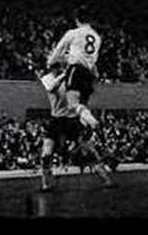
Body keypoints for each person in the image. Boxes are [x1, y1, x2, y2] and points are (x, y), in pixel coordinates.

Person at [36, 62, 114, 191]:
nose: (59, 68)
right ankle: (45, 184)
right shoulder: (48, 78)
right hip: (56, 120)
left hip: (72, 120)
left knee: (90, 151)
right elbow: (50, 87)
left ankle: (107, 181)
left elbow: (89, 87)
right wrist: (65, 75)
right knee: (46, 154)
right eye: (57, 67)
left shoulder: (72, 79)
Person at [47, 5, 101, 130]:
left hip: (76, 70)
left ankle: (92, 122)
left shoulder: (73, 33)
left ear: (77, 19)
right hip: (89, 73)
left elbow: (59, 50)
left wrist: (51, 62)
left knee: (72, 105)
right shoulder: (97, 37)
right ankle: (86, 127)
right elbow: (93, 59)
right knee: (81, 107)